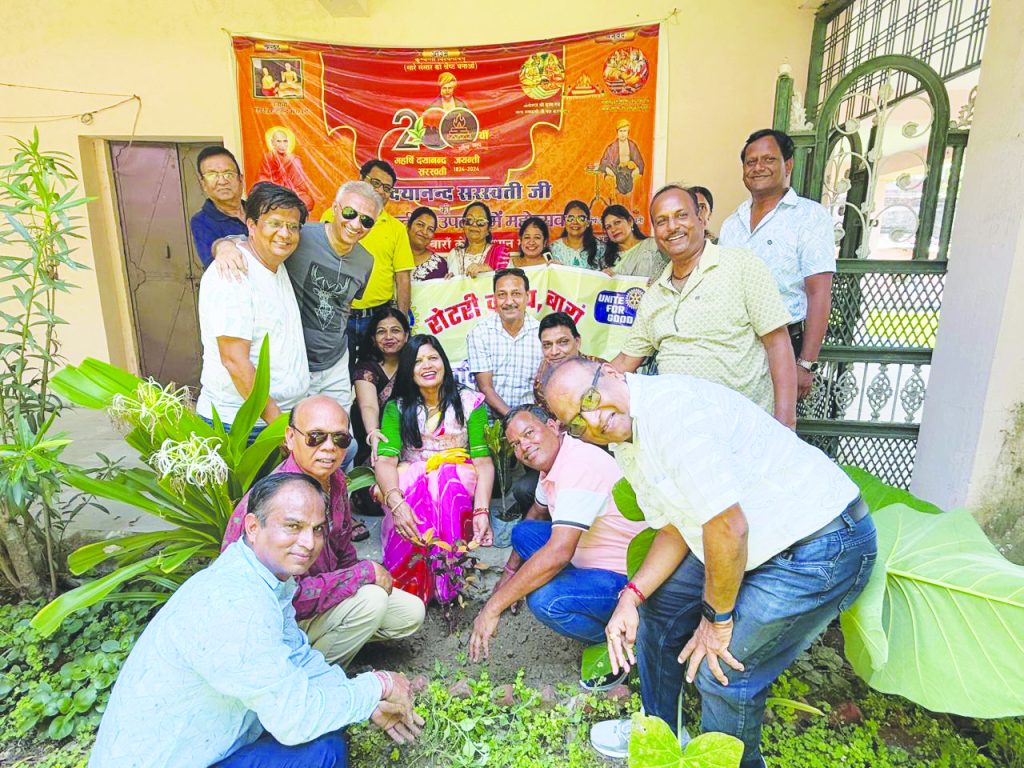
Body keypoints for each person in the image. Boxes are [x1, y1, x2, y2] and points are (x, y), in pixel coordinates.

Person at [541, 358, 876, 768]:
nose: (593, 421)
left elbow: (728, 528)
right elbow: (674, 528)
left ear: (609, 372)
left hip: (819, 542)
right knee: (658, 609)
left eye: (590, 400)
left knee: (722, 671)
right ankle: (662, 734)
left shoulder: (672, 414)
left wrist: (716, 621)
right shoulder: (626, 441)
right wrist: (631, 596)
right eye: (577, 423)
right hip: (744, 537)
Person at [90, 472, 424, 768]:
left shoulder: (262, 577)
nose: (308, 543)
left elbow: (298, 657)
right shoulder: (237, 604)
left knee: (326, 727)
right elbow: (295, 720)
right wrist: (378, 685)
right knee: (322, 753)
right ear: (252, 527)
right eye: (292, 526)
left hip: (204, 743)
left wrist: (365, 701)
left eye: (317, 529)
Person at [222, 395, 424, 666]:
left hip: (319, 597)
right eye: (316, 437)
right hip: (273, 623)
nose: (329, 447)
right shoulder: (279, 502)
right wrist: (363, 574)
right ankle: (309, 676)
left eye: (340, 438)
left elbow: (343, 549)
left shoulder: (335, 479)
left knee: (410, 613)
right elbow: (290, 598)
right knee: (372, 601)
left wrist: (356, 575)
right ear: (290, 437)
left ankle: (331, 641)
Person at [468, 406, 647, 673]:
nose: (524, 447)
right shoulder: (554, 463)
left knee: (545, 599)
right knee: (523, 532)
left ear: (552, 426)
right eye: (515, 444)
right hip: (589, 556)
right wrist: (507, 579)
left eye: (529, 433)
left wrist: (493, 607)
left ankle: (623, 642)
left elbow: (559, 552)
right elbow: (536, 513)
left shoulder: (578, 466)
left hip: (624, 578)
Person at [611, 183, 797, 428]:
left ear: (700, 218)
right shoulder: (654, 295)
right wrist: (582, 381)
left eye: (681, 215)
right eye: (662, 221)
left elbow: (777, 343)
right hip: (683, 432)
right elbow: (626, 360)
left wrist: (785, 424)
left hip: (743, 429)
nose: (672, 227)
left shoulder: (741, 265)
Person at [212, 180, 380, 411]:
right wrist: (223, 246)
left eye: (366, 220)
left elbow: (345, 303)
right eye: (350, 213)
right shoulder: (299, 236)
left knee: (341, 428)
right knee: (301, 430)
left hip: (336, 362)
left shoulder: (365, 261)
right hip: (296, 365)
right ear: (335, 208)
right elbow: (253, 241)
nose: (355, 224)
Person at [374, 335, 495, 603]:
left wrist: (482, 511)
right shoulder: (398, 407)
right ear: (408, 369)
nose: (427, 365)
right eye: (418, 361)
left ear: (444, 362)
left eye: (433, 358)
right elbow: (386, 461)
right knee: (411, 480)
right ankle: (413, 586)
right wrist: (396, 503)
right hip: (413, 477)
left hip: (458, 478)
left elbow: (483, 461)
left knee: (444, 479)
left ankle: (446, 582)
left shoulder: (470, 402)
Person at [719, 129, 836, 400]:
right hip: (733, 347)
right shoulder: (731, 224)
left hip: (784, 344)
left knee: (777, 422)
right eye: (751, 162)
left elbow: (819, 293)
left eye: (769, 159)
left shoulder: (809, 217)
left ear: (788, 165)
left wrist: (805, 363)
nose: (758, 167)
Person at [196, 183, 310, 440]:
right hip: (244, 424)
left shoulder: (272, 262)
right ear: (251, 225)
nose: (285, 234)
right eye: (275, 224)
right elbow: (234, 361)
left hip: (277, 418)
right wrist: (278, 426)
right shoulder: (233, 274)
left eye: (292, 226)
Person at [348, 160, 415, 365]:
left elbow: (402, 278)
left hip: (378, 318)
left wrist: (400, 323)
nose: (380, 191)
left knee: (376, 373)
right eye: (375, 183)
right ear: (361, 179)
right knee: (339, 375)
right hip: (340, 316)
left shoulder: (396, 228)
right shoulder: (338, 216)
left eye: (386, 188)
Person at [466, 267, 543, 418]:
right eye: (502, 295)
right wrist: (515, 419)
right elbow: (485, 388)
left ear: (527, 297)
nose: (509, 302)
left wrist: (527, 421)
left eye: (516, 294)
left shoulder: (542, 334)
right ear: (494, 298)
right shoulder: (480, 333)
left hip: (533, 420)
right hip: (491, 421)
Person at [352, 307, 409, 467]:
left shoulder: (415, 363)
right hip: (372, 436)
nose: (388, 337)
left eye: (395, 330)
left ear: (406, 336)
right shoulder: (366, 367)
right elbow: (368, 405)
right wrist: (373, 433)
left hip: (408, 436)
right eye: (381, 332)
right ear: (373, 339)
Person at [189, 146, 247, 268]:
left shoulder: (259, 210)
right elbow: (213, 261)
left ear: (240, 179)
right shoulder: (201, 221)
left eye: (228, 174)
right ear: (203, 184)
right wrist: (222, 245)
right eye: (212, 175)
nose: (222, 181)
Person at [532, 312, 602, 412]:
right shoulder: (542, 382)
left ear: (577, 342)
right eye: (547, 345)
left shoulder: (600, 370)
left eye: (563, 342)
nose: (554, 352)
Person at [256, 128, 316, 212]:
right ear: (273, 143)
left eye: (285, 141)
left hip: (291, 192)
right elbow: (262, 178)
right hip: (274, 192)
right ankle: (286, 205)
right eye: (279, 141)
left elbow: (300, 184)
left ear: (288, 143)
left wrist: (292, 190)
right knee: (262, 200)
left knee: (308, 201)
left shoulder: (293, 159)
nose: (282, 144)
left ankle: (286, 205)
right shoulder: (268, 157)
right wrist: (277, 188)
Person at [600, 204, 665, 279]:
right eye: (608, 227)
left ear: (630, 221)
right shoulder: (606, 260)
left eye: (617, 222)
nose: (613, 229)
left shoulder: (654, 245)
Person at [446, 201, 510, 277]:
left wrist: (489, 271)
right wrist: (450, 280)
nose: (474, 225)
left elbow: (508, 280)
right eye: (469, 220)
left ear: (489, 229)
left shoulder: (500, 253)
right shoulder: (454, 254)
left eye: (480, 222)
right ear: (463, 225)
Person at [550, 200, 607, 269]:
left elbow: (607, 273)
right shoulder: (554, 248)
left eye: (581, 218)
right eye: (570, 218)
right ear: (564, 222)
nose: (575, 222)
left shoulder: (600, 248)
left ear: (588, 223)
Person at [599, 119, 646, 197]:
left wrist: (636, 171)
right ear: (617, 132)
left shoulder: (632, 146)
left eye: (625, 131)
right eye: (620, 131)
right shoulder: (612, 147)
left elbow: (640, 163)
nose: (622, 134)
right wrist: (610, 171)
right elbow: (603, 163)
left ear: (628, 132)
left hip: (629, 172)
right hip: (616, 171)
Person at [407, 206, 448, 280]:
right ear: (408, 226)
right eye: (420, 225)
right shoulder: (391, 257)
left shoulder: (440, 265)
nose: (424, 232)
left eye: (430, 229)